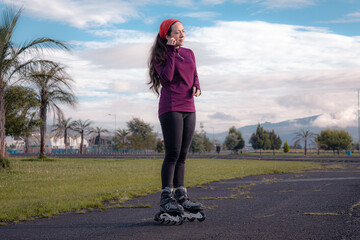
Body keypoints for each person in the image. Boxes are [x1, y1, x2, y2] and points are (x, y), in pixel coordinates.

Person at [148, 18, 203, 221]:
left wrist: (197, 86)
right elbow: (167, 78)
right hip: (171, 107)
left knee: (183, 154)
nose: (182, 35)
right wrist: (171, 52)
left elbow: (194, 75)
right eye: (177, 32)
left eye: (183, 31)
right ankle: (166, 198)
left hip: (189, 106)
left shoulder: (189, 53)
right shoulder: (161, 55)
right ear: (168, 35)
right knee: (172, 153)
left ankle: (181, 196)